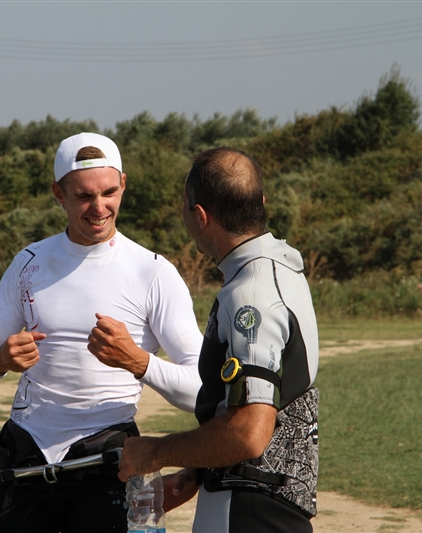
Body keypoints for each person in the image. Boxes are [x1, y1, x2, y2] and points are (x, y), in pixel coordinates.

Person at [0, 132, 203, 533]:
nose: (99, 207)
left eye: (109, 192)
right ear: (59, 193)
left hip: (106, 466)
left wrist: (139, 363)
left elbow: (201, 392)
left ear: (124, 184)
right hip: (25, 461)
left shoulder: (153, 272)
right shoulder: (28, 263)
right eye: (84, 196)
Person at [117, 147, 320, 533]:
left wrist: (156, 452)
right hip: (261, 502)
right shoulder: (281, 269)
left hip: (248, 510)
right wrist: (197, 467)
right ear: (260, 202)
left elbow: (249, 434)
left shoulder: (252, 295)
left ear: (200, 215)